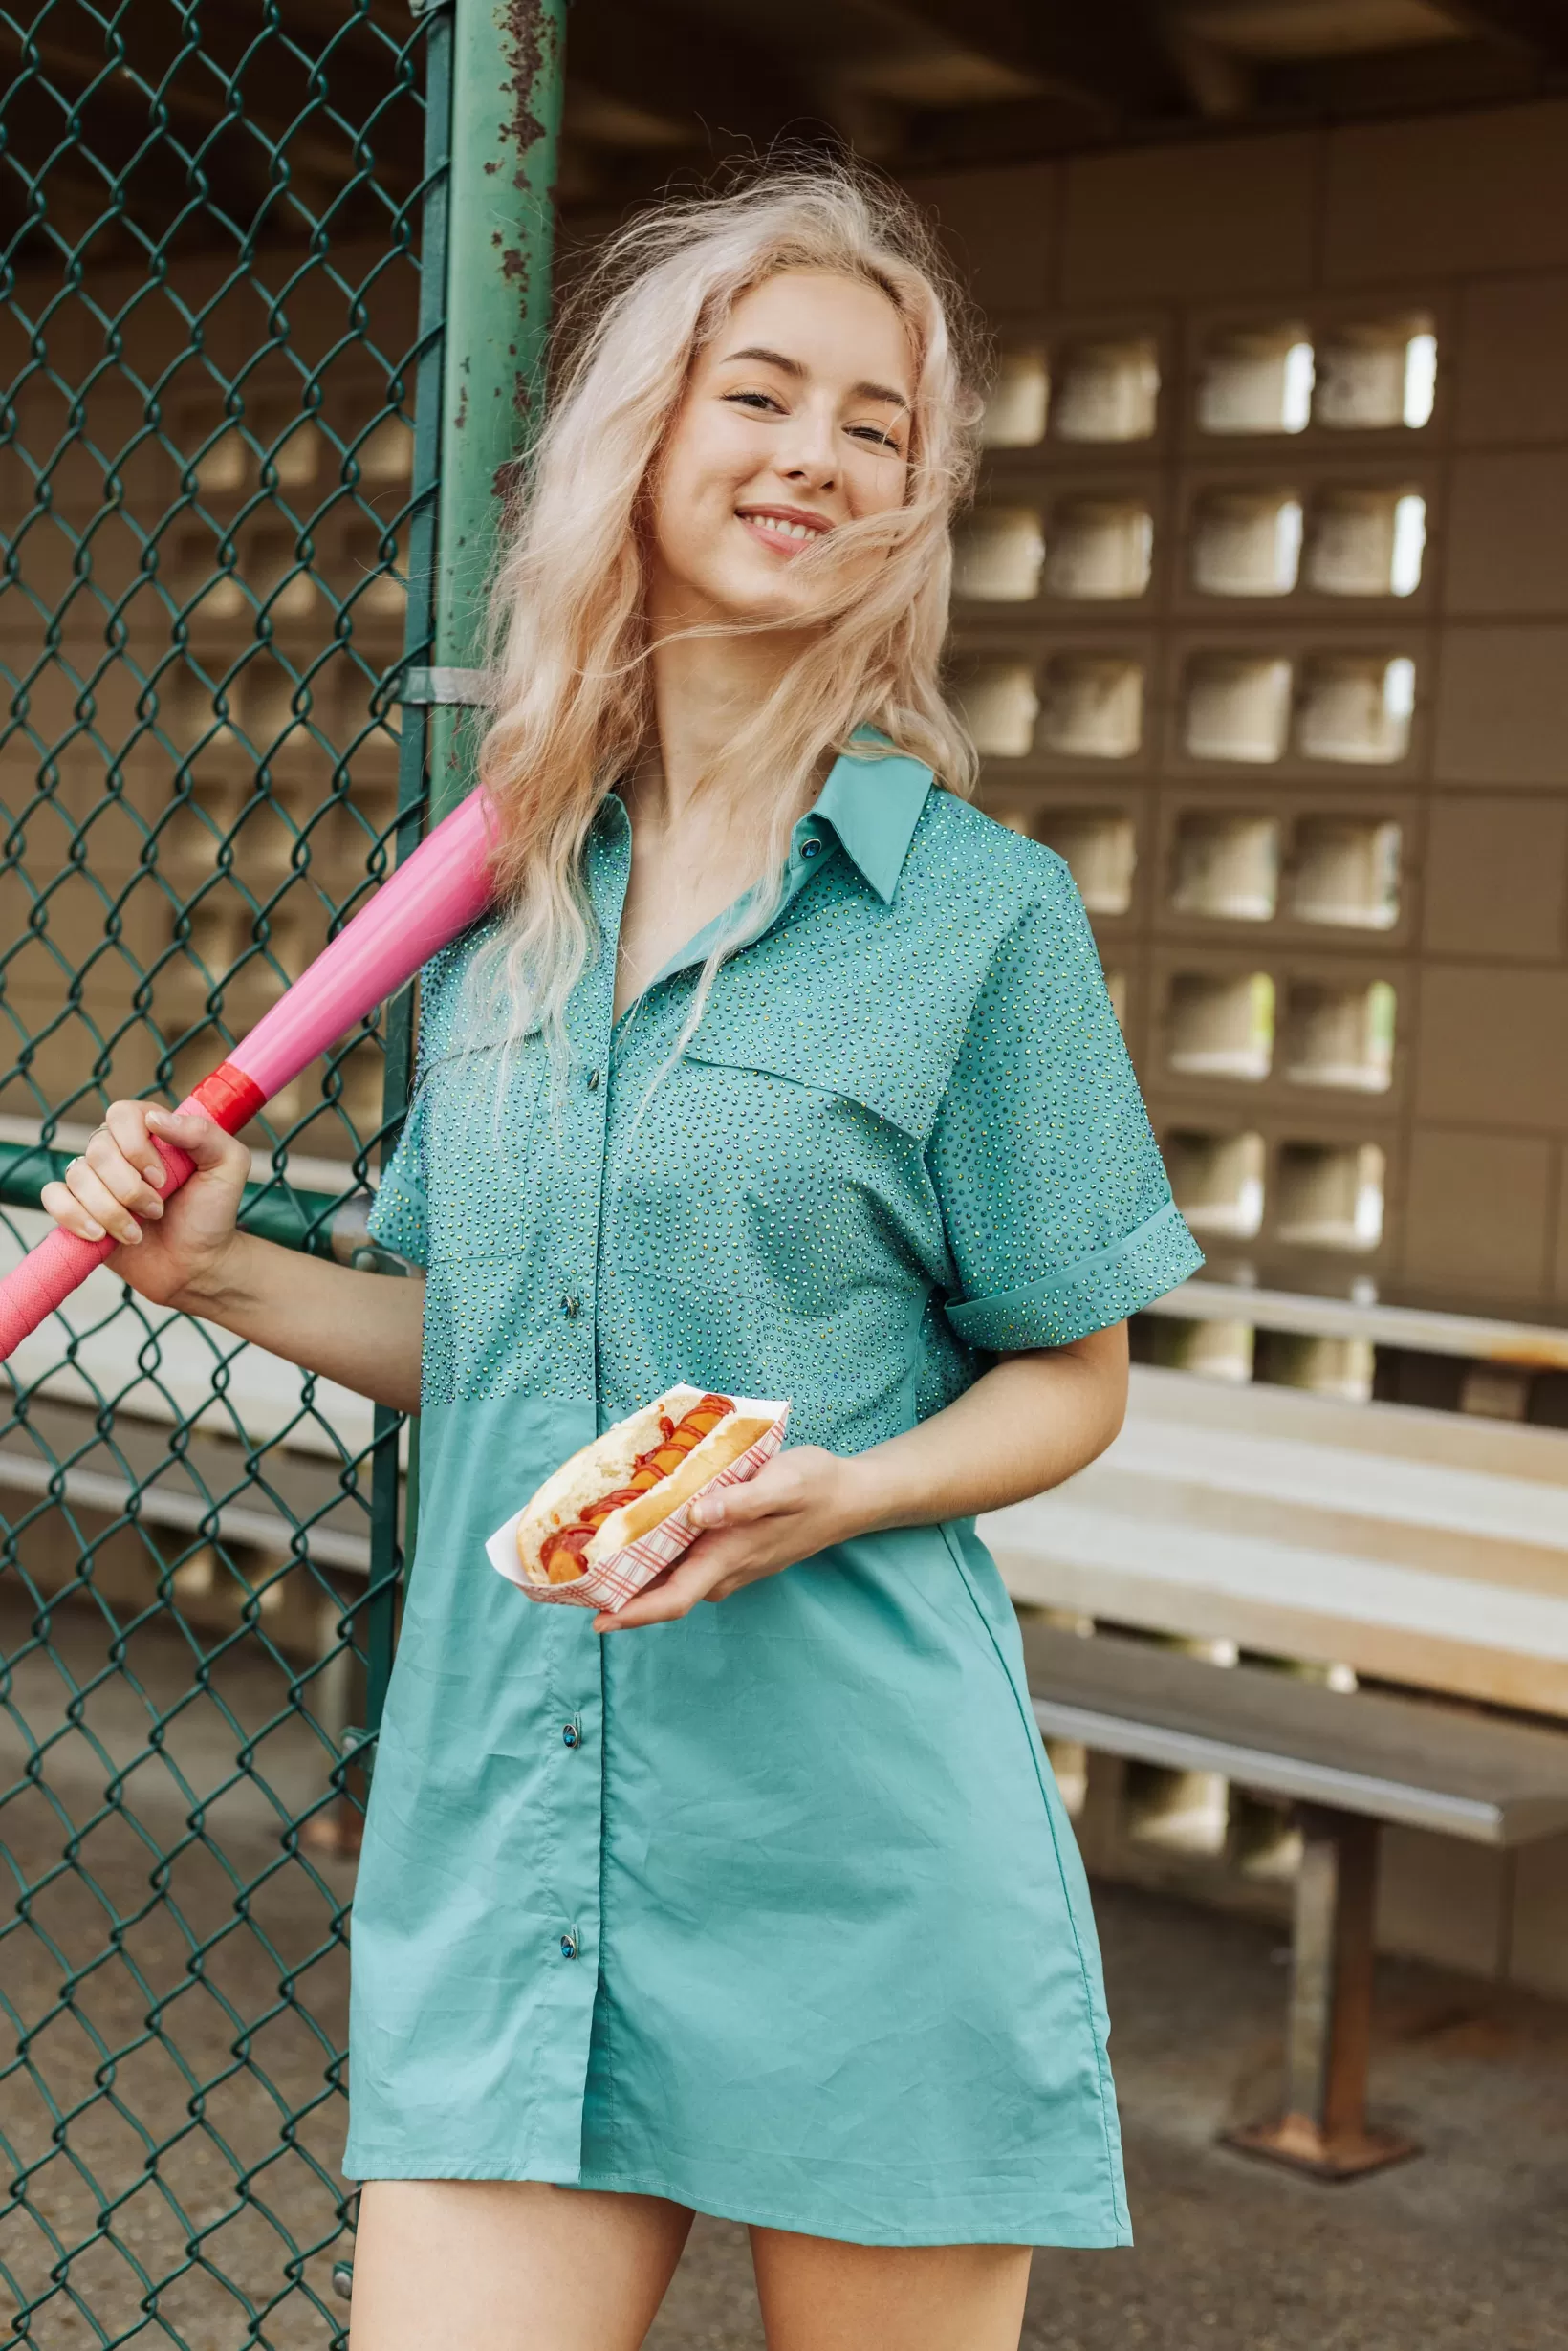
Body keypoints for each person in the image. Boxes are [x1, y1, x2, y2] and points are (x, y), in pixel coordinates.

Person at [44, 165, 1202, 2351]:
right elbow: (487, 1342)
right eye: (759, 393)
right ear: (642, 445)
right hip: (512, 1823)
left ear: (914, 497)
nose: (817, 454)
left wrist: (843, 1486)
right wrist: (211, 1269)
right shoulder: (477, 893)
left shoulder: (978, 921)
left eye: (878, 422)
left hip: (855, 1830)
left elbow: (1075, 1373)